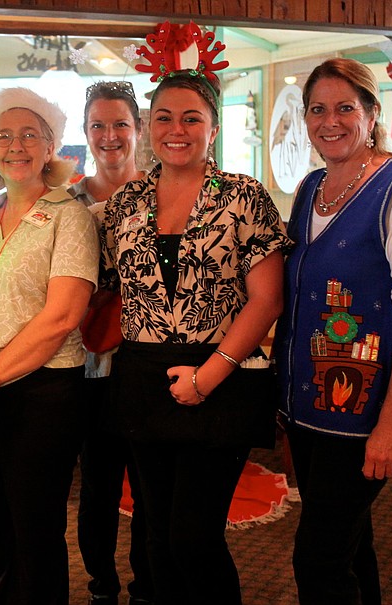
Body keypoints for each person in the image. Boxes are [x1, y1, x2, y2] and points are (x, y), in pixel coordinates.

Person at [100, 69, 290, 604]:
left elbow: (267, 300)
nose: (176, 129)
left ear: (214, 129)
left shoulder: (243, 196)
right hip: (143, 379)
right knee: (156, 537)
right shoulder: (124, 203)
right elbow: (109, 288)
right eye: (163, 118)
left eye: (191, 118)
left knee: (193, 538)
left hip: (222, 374)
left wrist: (207, 376)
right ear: (147, 127)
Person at [273, 58, 392, 605]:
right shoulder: (311, 188)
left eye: (345, 108)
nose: (330, 121)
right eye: (317, 109)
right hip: (306, 407)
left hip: (363, 413)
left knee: (318, 559)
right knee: (350, 546)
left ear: (371, 114)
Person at [0, 87, 99, 604]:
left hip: (42, 394)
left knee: (35, 532)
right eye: (3, 135)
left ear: (51, 146)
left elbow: (62, 317)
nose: (16, 145)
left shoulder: (69, 215)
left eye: (30, 134)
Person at [68, 81, 153, 605]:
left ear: (138, 129)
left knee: (149, 486)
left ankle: (147, 585)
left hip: (148, 362)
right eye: (97, 125)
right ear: (85, 132)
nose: (109, 135)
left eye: (120, 123)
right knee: (98, 486)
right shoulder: (67, 201)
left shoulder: (163, 193)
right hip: (88, 364)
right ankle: (102, 585)